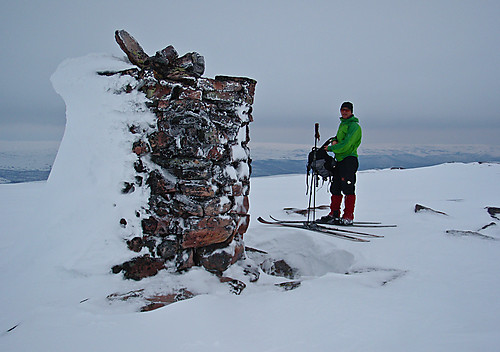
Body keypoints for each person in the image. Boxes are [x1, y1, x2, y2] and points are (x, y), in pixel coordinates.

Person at [318, 102, 362, 225]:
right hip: (340, 160)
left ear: (351, 111)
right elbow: (339, 141)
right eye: (342, 110)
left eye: (347, 110)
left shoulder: (354, 126)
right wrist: (334, 143)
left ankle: (348, 216)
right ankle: (334, 214)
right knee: (336, 187)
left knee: (348, 187)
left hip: (349, 159)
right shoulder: (343, 124)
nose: (344, 112)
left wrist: (331, 149)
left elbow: (347, 144)